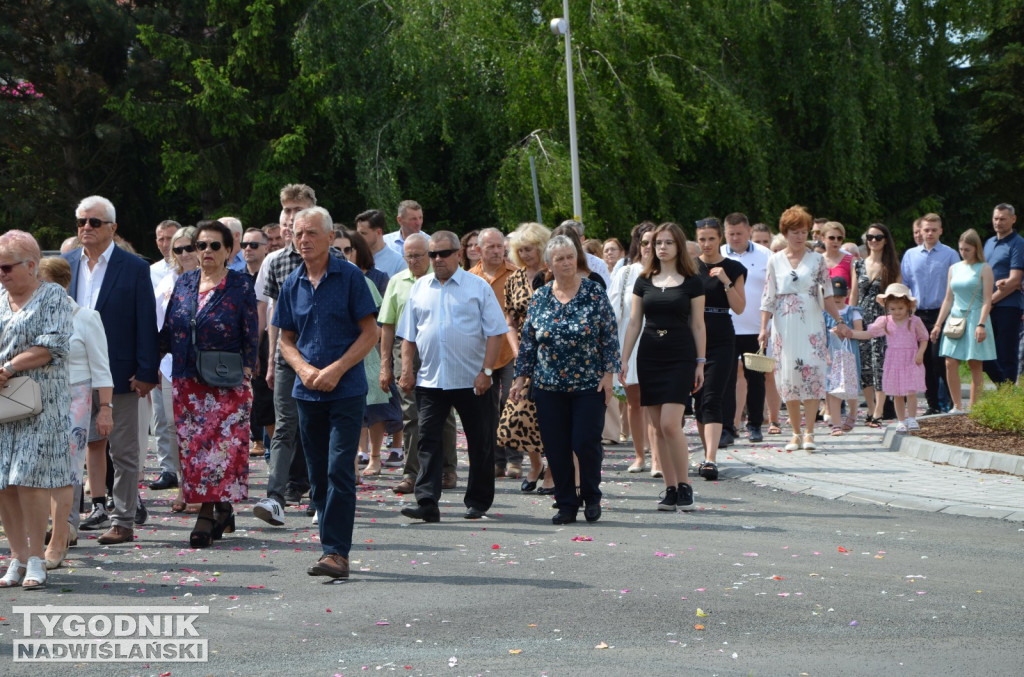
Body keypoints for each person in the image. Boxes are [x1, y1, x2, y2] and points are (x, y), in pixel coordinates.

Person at [275, 207, 379, 579]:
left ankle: (337, 552)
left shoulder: (349, 277)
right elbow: (286, 339)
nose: (303, 240)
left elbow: (371, 333)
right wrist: (302, 369)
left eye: (311, 233)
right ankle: (328, 548)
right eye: (298, 234)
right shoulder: (292, 282)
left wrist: (337, 369)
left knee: (339, 469)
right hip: (307, 393)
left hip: (346, 389)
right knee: (318, 474)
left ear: (331, 235)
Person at [64, 196, 159, 546]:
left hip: (119, 375)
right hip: (71, 376)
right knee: (69, 450)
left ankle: (123, 520)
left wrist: (147, 370)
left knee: (123, 452)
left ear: (113, 228)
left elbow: (146, 322)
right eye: (81, 222)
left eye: (94, 222)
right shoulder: (65, 263)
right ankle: (67, 524)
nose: (85, 228)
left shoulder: (134, 267)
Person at [397, 231, 508, 522]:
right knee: (428, 441)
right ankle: (427, 502)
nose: (437, 260)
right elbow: (408, 336)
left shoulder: (477, 286)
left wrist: (486, 371)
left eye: (443, 253)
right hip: (432, 381)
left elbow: (496, 332)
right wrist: (407, 370)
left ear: (458, 254)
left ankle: (478, 501)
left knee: (480, 441)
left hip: (473, 380)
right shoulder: (420, 288)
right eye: (432, 254)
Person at [160, 221, 258, 547]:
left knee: (219, 449)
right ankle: (223, 507)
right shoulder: (185, 282)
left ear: (229, 250)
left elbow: (250, 333)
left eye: (215, 245)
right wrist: (144, 367)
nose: (206, 251)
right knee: (194, 449)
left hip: (226, 380)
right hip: (187, 378)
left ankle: (206, 513)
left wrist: (246, 372)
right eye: (201, 245)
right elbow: (169, 330)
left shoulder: (240, 284)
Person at [510, 235, 620, 524]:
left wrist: (609, 376)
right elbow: (529, 343)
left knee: (585, 442)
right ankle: (566, 503)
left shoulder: (594, 292)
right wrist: (520, 378)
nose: (566, 262)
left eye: (570, 256)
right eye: (559, 258)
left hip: (588, 383)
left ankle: (592, 495)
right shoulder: (540, 297)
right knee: (557, 447)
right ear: (549, 264)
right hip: (548, 386)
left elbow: (609, 335)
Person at [0, 234, 72, 591]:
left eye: (6, 266)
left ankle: (36, 558)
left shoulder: (53, 295)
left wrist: (9, 367)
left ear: (31, 264)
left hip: (40, 403)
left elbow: (52, 345)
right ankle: (16, 556)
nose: (1, 274)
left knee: (29, 478)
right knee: (4, 483)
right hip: (2, 404)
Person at [253, 183, 326, 526]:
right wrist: (268, 359)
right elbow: (272, 318)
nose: (290, 216)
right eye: (286, 210)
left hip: (324, 357)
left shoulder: (334, 258)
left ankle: (320, 495)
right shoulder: (276, 261)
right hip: (286, 355)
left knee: (318, 427)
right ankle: (275, 496)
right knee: (284, 426)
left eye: (297, 209)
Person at [620, 222, 706, 512]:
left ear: (678, 245)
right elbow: (634, 322)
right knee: (656, 427)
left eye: (668, 242)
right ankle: (669, 489)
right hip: (649, 356)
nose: (662, 248)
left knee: (671, 423)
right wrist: (623, 358)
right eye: (658, 243)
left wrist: (701, 362)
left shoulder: (692, 280)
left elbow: (697, 324)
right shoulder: (643, 279)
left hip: (680, 356)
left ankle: (685, 486)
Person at [35, 258, 112, 569]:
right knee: (37, 465)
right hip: (38, 397)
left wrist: (105, 409)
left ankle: (65, 529)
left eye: (43, 281)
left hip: (75, 397)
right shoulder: (31, 315)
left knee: (67, 465)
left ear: (62, 284)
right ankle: (42, 528)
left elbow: (102, 369)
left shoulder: (86, 318)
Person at [758, 205, 848, 453]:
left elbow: (827, 294)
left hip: (811, 321)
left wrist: (839, 320)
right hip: (784, 324)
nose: (799, 236)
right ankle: (795, 433)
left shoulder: (817, 260)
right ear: (785, 233)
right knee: (788, 377)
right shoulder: (774, 261)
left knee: (812, 374)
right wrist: (763, 327)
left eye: (803, 231)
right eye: (794, 231)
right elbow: (768, 295)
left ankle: (810, 432)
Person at [379, 233, 459, 495]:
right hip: (406, 350)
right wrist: (386, 365)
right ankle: (411, 473)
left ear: (432, 254)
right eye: (409, 256)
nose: (413, 260)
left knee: (444, 412)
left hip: (438, 348)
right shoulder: (397, 282)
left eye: (419, 255)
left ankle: (447, 469)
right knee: (411, 414)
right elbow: (388, 326)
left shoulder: (442, 280)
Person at [334, 228, 403, 476]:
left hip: (367, 355)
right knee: (348, 414)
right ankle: (354, 459)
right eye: (336, 249)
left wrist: (383, 359)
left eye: (347, 249)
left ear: (356, 252)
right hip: (334, 358)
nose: (341, 254)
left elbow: (380, 323)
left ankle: (375, 457)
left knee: (375, 410)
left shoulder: (365, 282)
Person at [499, 222, 552, 492]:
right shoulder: (514, 279)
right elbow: (509, 320)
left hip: (554, 356)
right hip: (524, 356)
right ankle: (535, 464)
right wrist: (518, 352)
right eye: (520, 250)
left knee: (551, 415)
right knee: (520, 414)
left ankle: (552, 470)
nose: (526, 254)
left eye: (529, 248)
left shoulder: (554, 274)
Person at [151, 226, 199, 511]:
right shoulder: (166, 281)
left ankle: (200, 487)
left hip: (204, 364)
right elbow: (158, 325)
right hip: (170, 363)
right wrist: (155, 362)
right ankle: (185, 484)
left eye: (188, 248)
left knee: (201, 428)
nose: (184, 254)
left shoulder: (211, 279)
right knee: (174, 427)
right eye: (177, 249)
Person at [694, 218, 746, 480]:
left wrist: (725, 281)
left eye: (711, 238)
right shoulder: (689, 267)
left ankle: (711, 458)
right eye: (702, 239)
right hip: (692, 336)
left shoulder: (734, 268)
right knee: (698, 401)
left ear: (720, 240)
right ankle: (707, 454)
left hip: (722, 336)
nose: (706, 244)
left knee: (713, 396)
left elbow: (739, 308)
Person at [608, 222, 660, 474]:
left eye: (655, 241)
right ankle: (640, 456)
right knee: (635, 403)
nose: (650, 247)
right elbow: (612, 311)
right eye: (645, 242)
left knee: (657, 404)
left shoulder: (670, 272)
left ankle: (659, 459)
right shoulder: (626, 273)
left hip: (661, 343)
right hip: (631, 342)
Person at [469, 228, 520, 479]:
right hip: (481, 353)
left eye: (500, 246)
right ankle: (497, 461)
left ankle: (514, 459)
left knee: (511, 404)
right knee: (488, 409)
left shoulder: (515, 274)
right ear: (478, 250)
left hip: (511, 351)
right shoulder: (469, 278)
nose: (498, 251)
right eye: (491, 247)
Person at [845, 284, 928, 433]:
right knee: (897, 393)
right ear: (887, 307)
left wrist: (920, 353)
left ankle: (912, 418)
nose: (897, 312)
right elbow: (868, 334)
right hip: (894, 360)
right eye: (893, 309)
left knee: (911, 392)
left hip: (911, 359)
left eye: (900, 308)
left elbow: (924, 338)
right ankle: (901, 420)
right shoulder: (885, 321)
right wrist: (851, 333)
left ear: (908, 306)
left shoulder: (914, 321)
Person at [900, 213, 960, 414]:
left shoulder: (950, 254)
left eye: (934, 229)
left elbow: (956, 285)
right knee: (923, 361)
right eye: (926, 229)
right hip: (917, 315)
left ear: (941, 231)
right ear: (921, 231)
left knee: (939, 359)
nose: (930, 233)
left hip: (942, 314)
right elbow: (905, 285)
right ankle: (933, 405)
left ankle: (953, 402)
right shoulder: (910, 255)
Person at [721, 212, 772, 445]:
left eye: (739, 233)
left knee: (756, 379)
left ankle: (754, 425)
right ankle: (727, 426)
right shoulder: (718, 254)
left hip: (756, 328)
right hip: (726, 327)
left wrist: (769, 325)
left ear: (749, 231)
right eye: (730, 234)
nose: (735, 238)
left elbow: (772, 292)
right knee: (727, 379)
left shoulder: (765, 255)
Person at [931, 229, 996, 411]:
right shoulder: (954, 268)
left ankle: (974, 409)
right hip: (955, 318)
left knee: (975, 363)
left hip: (976, 317)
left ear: (976, 248)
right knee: (949, 362)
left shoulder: (984, 268)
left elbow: (987, 300)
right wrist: (938, 324)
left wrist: (982, 324)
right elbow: (948, 298)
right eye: (961, 249)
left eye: (967, 249)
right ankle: (957, 406)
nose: (963, 252)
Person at [849, 223, 901, 428]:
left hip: (883, 321)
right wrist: (850, 319)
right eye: (870, 237)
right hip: (861, 320)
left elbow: (898, 297)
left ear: (885, 240)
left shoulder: (892, 266)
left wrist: (893, 323)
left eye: (878, 237)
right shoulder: (858, 265)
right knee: (865, 368)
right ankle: (870, 409)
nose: (873, 241)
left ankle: (879, 410)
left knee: (880, 365)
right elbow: (854, 294)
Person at [240, 228, 274, 460]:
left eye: (254, 245)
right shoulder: (237, 278)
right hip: (247, 342)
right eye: (244, 244)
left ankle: (275, 447)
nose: (248, 249)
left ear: (266, 247)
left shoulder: (272, 272)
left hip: (268, 339)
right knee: (260, 400)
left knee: (273, 400)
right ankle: (264, 442)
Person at [982, 204, 1024, 384]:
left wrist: (990, 301)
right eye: (995, 218)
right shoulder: (989, 243)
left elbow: (1015, 280)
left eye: (1003, 219)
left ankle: (1007, 395)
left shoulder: (1018, 243)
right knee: (983, 353)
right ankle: (1003, 388)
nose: (998, 222)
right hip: (987, 305)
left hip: (1008, 306)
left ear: (1013, 219)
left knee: (1006, 354)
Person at [823, 277, 863, 435]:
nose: (838, 298)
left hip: (849, 354)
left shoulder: (853, 311)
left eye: (840, 295)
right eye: (834, 295)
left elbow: (859, 332)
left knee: (850, 386)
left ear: (847, 293)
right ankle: (836, 423)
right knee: (833, 388)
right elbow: (820, 334)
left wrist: (847, 332)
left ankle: (853, 412)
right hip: (832, 354)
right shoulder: (824, 312)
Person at [356, 209, 408, 279]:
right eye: (358, 233)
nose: (359, 237)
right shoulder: (353, 257)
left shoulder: (398, 262)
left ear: (378, 232)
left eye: (363, 233)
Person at [558, 220, 611, 287]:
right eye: (564, 237)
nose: (568, 241)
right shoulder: (553, 263)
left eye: (573, 237)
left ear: (582, 239)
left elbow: (607, 292)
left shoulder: (598, 264)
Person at [821, 222, 854, 290]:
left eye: (839, 238)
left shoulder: (850, 260)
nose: (836, 241)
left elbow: (854, 289)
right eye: (831, 238)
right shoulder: (817, 260)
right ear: (823, 238)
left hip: (844, 300)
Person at [150, 220, 180, 288]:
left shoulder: (194, 267)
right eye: (161, 239)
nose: (165, 244)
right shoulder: (151, 272)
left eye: (170, 238)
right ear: (156, 243)